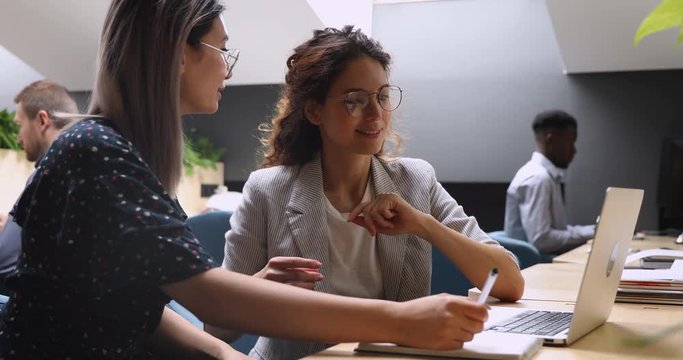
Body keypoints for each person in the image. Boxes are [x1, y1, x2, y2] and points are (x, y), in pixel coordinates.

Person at [0, 1, 493, 358]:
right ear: (176, 52)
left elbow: (135, 309)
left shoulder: (119, 154)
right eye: (222, 50)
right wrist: (401, 320)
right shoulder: (96, 152)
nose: (228, 71)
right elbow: (209, 296)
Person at [214, 26, 524, 360]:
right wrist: (259, 287)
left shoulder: (416, 180)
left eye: (382, 96)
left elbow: (509, 282)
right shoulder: (268, 190)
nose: (376, 114)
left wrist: (424, 224)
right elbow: (218, 327)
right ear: (314, 110)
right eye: (355, 100)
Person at [0, 80, 79, 293]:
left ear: (42, 120)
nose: (18, 137)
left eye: (20, 125)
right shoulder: (78, 168)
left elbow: (3, 260)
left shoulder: (47, 174)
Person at [504, 110, 595, 255]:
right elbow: (542, 239)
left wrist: (594, 231)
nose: (574, 150)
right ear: (551, 140)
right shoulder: (538, 179)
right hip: (535, 268)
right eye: (570, 143)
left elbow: (558, 231)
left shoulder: (544, 175)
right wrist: (590, 234)